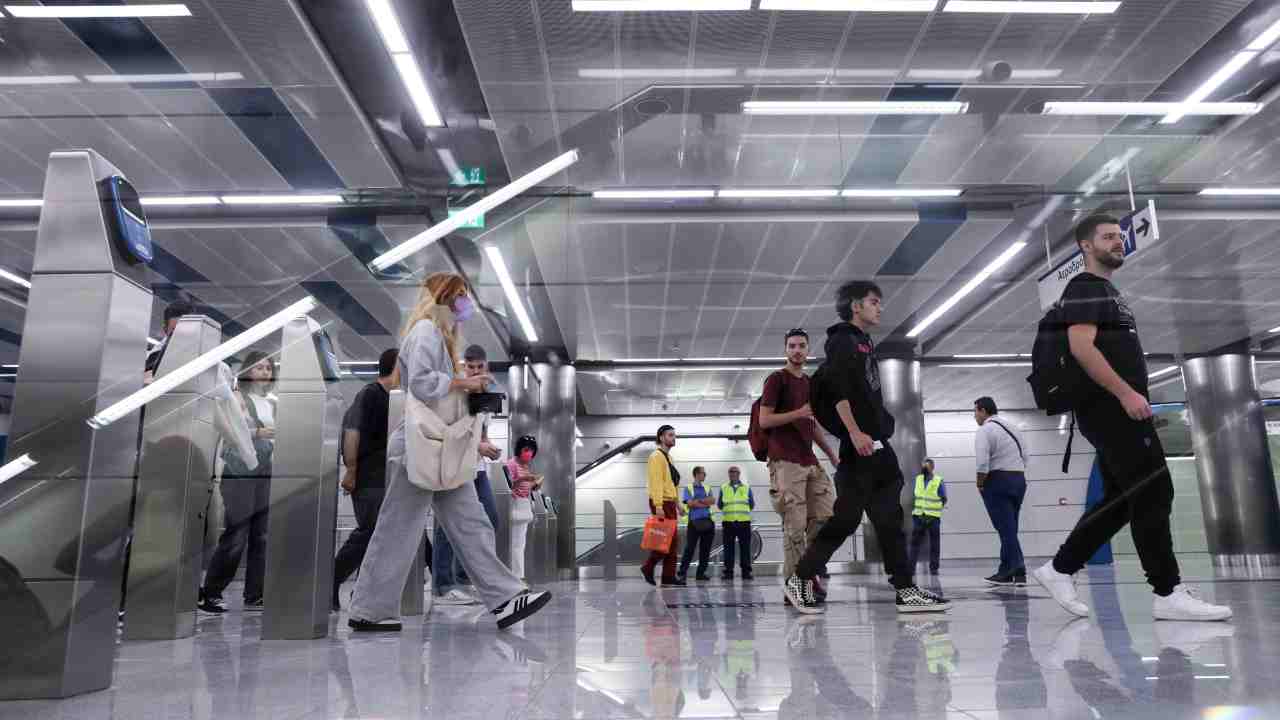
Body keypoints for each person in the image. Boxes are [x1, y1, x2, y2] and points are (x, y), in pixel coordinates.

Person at [1033, 215, 1231, 622]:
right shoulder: (1085, 287)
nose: (1117, 242)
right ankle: (1167, 591)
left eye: (1119, 236)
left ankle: (1059, 568)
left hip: (1112, 411)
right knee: (1155, 494)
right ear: (1086, 247)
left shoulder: (1106, 291)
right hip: (1111, 410)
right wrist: (1126, 394)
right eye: (1107, 237)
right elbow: (1082, 347)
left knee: (1123, 500)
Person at [347, 272, 551, 631]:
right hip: (419, 450)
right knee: (397, 529)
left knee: (472, 523)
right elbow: (424, 385)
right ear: (442, 298)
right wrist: (463, 382)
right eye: (459, 296)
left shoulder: (441, 338)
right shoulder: (425, 331)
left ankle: (505, 598)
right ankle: (368, 610)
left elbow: (435, 389)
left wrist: (468, 392)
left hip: (439, 449)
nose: (465, 303)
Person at [782, 281, 949, 614]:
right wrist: (854, 432)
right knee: (845, 519)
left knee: (889, 518)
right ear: (855, 306)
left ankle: (905, 588)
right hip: (860, 448)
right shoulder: (843, 339)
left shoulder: (863, 342)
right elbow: (840, 389)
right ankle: (799, 578)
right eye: (874, 301)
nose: (879, 307)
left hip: (877, 447)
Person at [759, 328, 839, 594]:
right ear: (785, 350)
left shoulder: (808, 383)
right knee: (794, 525)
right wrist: (799, 412)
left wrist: (830, 454)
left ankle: (807, 570)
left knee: (825, 516)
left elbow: (811, 423)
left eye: (801, 346)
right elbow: (765, 420)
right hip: (784, 459)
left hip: (809, 459)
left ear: (807, 350)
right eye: (792, 346)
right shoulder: (776, 380)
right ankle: (795, 585)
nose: (797, 350)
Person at [199, 351, 277, 614]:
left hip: (264, 471)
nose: (265, 372)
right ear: (246, 371)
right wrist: (258, 432)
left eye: (268, 367)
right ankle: (211, 591)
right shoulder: (235, 397)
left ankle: (255, 593)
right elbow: (231, 431)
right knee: (237, 534)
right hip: (240, 472)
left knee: (262, 535)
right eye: (259, 367)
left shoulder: (270, 402)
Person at [432, 344, 503, 605]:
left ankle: (462, 578)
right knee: (447, 524)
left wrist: (486, 445)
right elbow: (450, 432)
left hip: (477, 467)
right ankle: (442, 584)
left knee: (491, 518)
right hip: (455, 464)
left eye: (479, 367)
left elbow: (478, 433)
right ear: (463, 368)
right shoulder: (456, 394)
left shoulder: (484, 398)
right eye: (469, 367)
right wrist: (479, 445)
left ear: (486, 368)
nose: (474, 371)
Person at [332, 348, 400, 611]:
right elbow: (351, 431)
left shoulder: (391, 398)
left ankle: (361, 593)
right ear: (395, 367)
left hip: (384, 478)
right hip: (368, 478)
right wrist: (350, 470)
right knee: (369, 531)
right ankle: (332, 578)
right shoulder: (370, 394)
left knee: (377, 536)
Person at [973, 396, 1029, 587]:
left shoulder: (985, 430)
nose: (975, 416)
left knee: (1005, 529)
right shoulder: (1013, 427)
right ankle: (1006, 571)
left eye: (975, 412)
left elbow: (982, 462)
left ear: (983, 410)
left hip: (998, 481)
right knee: (1010, 528)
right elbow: (1025, 456)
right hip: (1019, 479)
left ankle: (1019, 569)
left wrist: (980, 483)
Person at [641, 424, 685, 587]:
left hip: (669, 503)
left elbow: (672, 484)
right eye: (670, 435)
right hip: (661, 503)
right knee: (664, 540)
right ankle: (648, 567)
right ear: (661, 437)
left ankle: (668, 577)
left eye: (674, 435)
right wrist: (658, 505)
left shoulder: (669, 458)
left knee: (672, 542)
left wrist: (678, 504)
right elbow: (656, 482)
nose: (673, 438)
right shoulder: (656, 457)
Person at [506, 435, 542, 580]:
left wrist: (534, 485)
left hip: (524, 506)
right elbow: (506, 486)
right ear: (519, 449)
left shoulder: (526, 466)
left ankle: (520, 576)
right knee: (515, 545)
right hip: (514, 506)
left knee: (520, 545)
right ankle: (517, 577)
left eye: (532, 451)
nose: (529, 453)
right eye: (526, 449)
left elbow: (525, 488)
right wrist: (522, 479)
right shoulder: (511, 464)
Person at [908, 459, 946, 575]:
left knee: (935, 544)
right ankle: (911, 568)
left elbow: (944, 498)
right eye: (923, 466)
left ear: (932, 467)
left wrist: (934, 509)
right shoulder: (918, 479)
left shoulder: (938, 480)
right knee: (915, 543)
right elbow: (915, 496)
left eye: (927, 466)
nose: (924, 468)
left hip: (933, 517)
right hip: (919, 516)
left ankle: (934, 568)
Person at [677, 467, 716, 582]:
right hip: (694, 523)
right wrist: (705, 502)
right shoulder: (688, 488)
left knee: (705, 550)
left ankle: (701, 574)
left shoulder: (707, 487)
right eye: (704, 473)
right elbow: (689, 504)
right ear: (697, 474)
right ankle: (682, 573)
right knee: (690, 549)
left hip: (708, 522)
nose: (705, 475)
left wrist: (698, 501)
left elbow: (712, 501)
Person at [718, 467, 755, 581]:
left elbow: (751, 504)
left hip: (743, 522)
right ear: (728, 474)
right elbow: (720, 505)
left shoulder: (746, 487)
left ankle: (746, 573)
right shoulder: (723, 488)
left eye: (735, 472)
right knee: (728, 549)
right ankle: (728, 573)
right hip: (728, 522)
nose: (732, 474)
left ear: (739, 474)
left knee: (745, 548)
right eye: (730, 472)